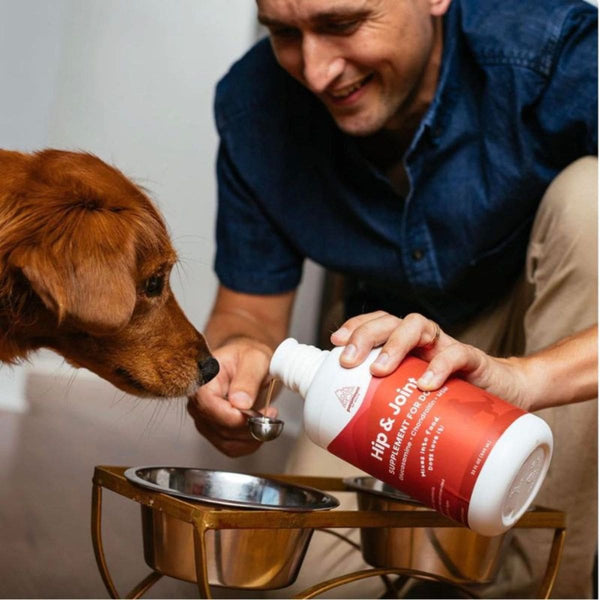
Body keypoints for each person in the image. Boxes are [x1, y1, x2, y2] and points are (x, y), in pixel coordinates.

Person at [187, 0, 598, 597]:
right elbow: (248, 308)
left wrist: (523, 379)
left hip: (546, 345)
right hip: (381, 381)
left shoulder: (551, 50)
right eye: (284, 33)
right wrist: (240, 358)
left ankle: (541, 586)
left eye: (342, 24)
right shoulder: (257, 104)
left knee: (591, 201)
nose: (317, 70)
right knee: (313, 588)